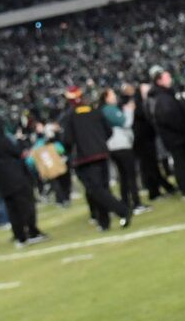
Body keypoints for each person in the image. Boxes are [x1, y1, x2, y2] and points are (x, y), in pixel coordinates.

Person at [59, 85, 131, 231]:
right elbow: (108, 131)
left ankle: (122, 210)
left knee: (96, 190)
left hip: (84, 159)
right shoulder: (94, 111)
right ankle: (104, 222)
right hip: (102, 154)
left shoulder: (69, 117)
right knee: (103, 188)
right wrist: (99, 142)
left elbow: (67, 140)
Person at [0, 116, 46, 246]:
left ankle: (20, 237)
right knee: (27, 206)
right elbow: (18, 153)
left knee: (12, 210)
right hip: (17, 179)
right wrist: (20, 141)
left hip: (1, 184)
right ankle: (32, 232)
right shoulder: (3, 141)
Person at [146, 68, 185, 196]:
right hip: (176, 137)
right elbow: (169, 118)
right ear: (159, 81)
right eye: (166, 77)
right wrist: (184, 128)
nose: (170, 78)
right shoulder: (161, 97)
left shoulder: (165, 94)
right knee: (181, 163)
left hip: (178, 135)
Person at [104, 86, 146, 218]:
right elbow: (126, 123)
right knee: (130, 175)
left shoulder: (106, 110)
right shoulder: (109, 109)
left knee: (123, 176)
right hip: (121, 146)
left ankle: (126, 203)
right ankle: (136, 203)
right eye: (111, 95)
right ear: (106, 98)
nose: (114, 97)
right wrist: (129, 111)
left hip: (114, 147)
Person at [132, 80, 169, 202]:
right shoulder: (138, 106)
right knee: (148, 167)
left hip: (148, 139)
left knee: (152, 166)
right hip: (142, 141)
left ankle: (161, 188)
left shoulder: (145, 103)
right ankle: (154, 192)